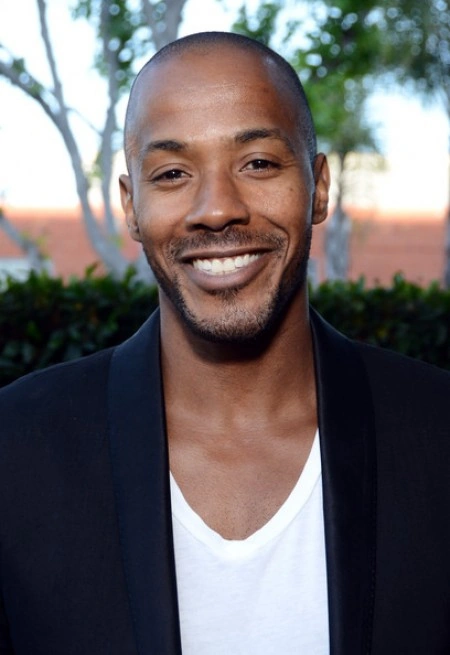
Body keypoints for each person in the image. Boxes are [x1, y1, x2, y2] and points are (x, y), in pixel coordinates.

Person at [1, 31, 450, 655]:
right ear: (131, 207)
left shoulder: (435, 432)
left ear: (319, 187)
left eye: (258, 163)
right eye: (172, 173)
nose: (216, 210)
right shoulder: (16, 448)